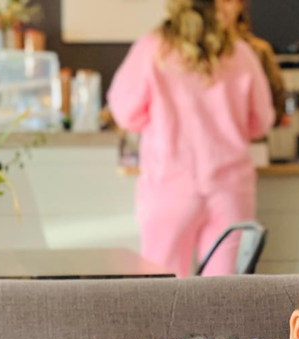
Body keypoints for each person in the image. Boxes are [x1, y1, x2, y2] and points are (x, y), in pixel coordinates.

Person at [107, 0, 275, 278]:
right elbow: (261, 122)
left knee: (163, 290)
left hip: (168, 185)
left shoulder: (153, 48)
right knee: (225, 295)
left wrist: (159, 123)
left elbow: (125, 112)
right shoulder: (242, 54)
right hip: (229, 189)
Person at [216, 0, 288, 126]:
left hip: (250, 137)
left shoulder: (258, 50)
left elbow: (276, 96)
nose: (220, 6)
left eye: (227, 1)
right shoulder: (197, 52)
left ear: (240, 4)